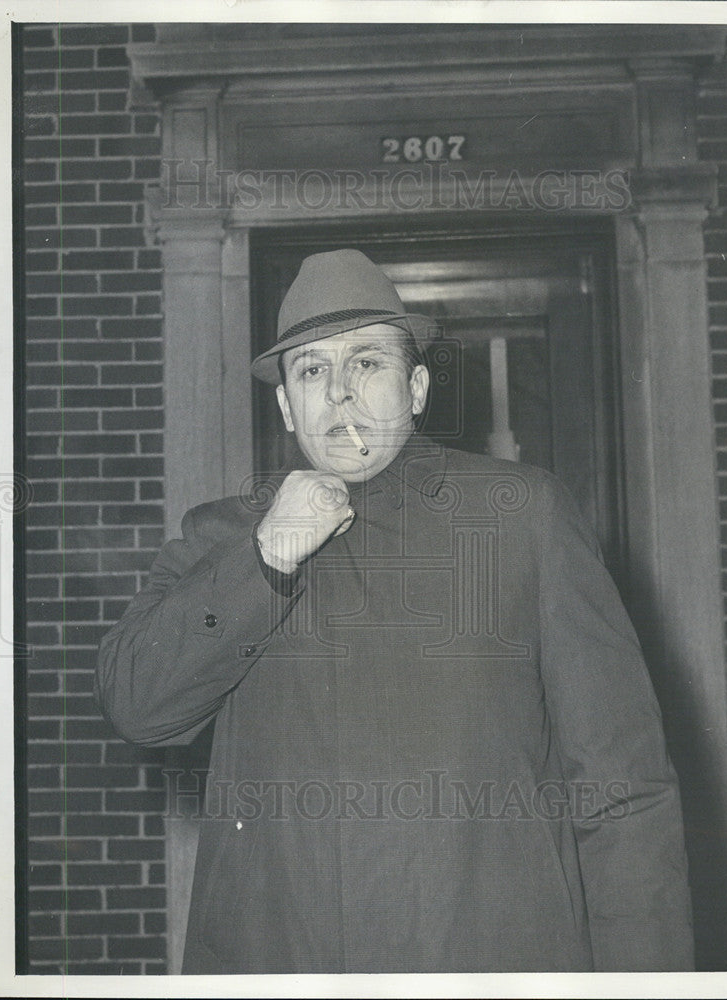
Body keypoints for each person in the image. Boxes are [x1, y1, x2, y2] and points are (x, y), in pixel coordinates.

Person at [95, 249, 694, 974]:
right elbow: (136, 704)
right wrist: (266, 558)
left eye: (367, 364)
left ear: (415, 387)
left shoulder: (520, 517)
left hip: (488, 964)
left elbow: (623, 792)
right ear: (286, 403)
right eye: (311, 370)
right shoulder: (221, 538)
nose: (339, 393)